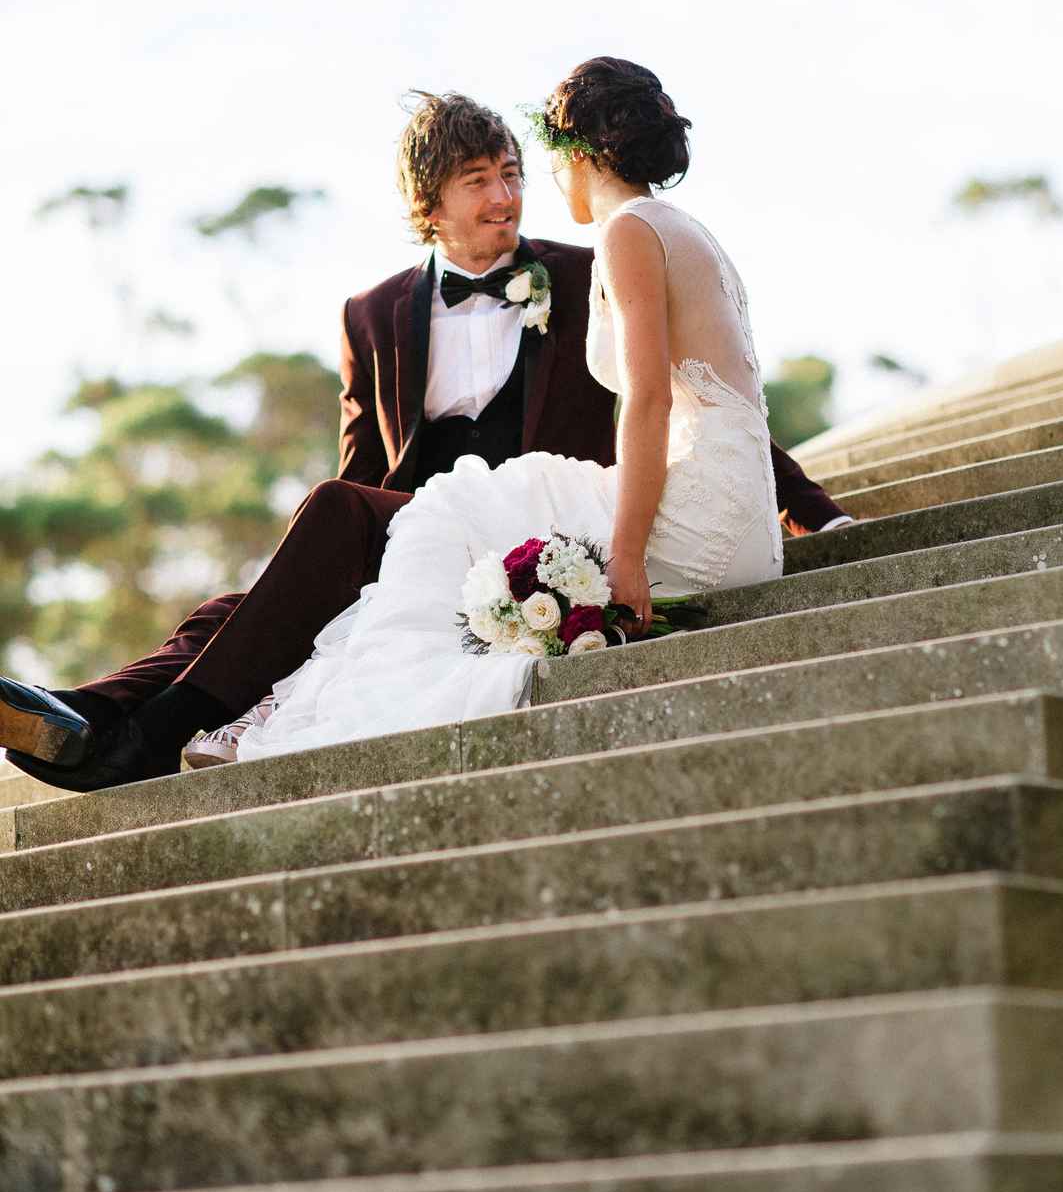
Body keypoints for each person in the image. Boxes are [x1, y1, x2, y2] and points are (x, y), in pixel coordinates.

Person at [0, 77, 850, 790]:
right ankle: (84, 713)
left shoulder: (591, 264)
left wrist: (809, 507)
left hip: (539, 525)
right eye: (478, 179)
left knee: (318, 530)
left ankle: (139, 742)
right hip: (425, 521)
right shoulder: (369, 315)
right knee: (252, 596)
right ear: (428, 202)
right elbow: (364, 469)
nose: (506, 196)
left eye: (513, 172)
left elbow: (685, 398)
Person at [238, 57, 812, 759]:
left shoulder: (629, 232)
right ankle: (290, 700)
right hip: (740, 524)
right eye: (482, 178)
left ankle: (312, 714)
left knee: (452, 512)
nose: (524, 188)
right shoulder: (683, 228)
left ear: (579, 155)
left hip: (699, 527)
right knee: (469, 512)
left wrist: (626, 550)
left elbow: (652, 399)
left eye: (527, 166)